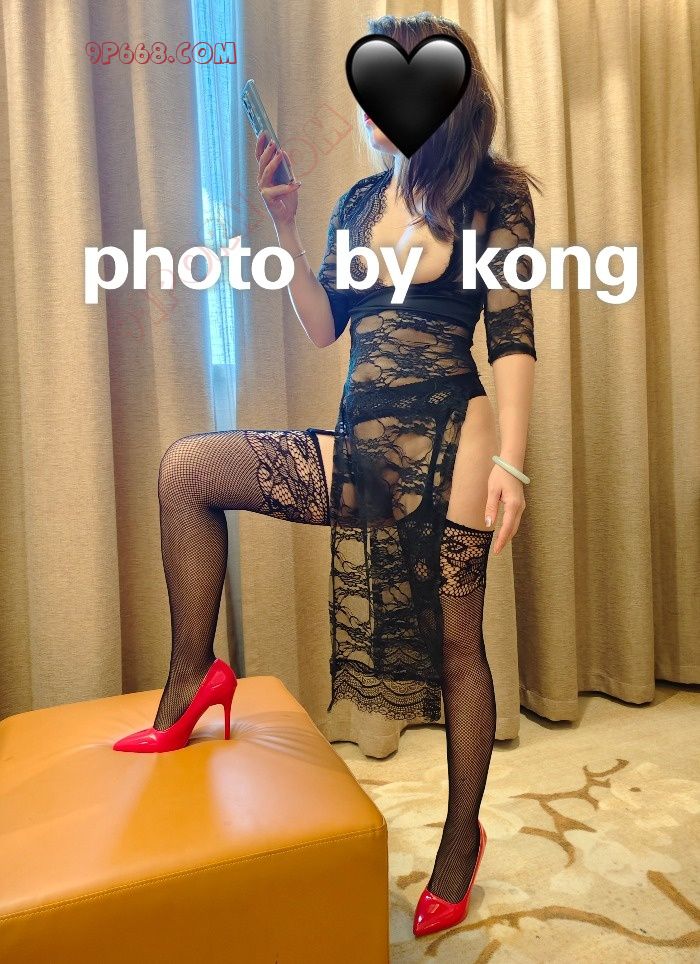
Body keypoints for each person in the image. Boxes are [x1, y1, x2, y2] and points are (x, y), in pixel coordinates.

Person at [113, 11, 541, 940]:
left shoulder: (493, 195)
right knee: (188, 471)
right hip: (364, 448)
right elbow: (320, 326)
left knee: (458, 644)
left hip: (455, 438)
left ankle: (460, 840)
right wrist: (283, 223)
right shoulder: (355, 205)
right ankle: (193, 679)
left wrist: (513, 456)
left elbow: (511, 331)